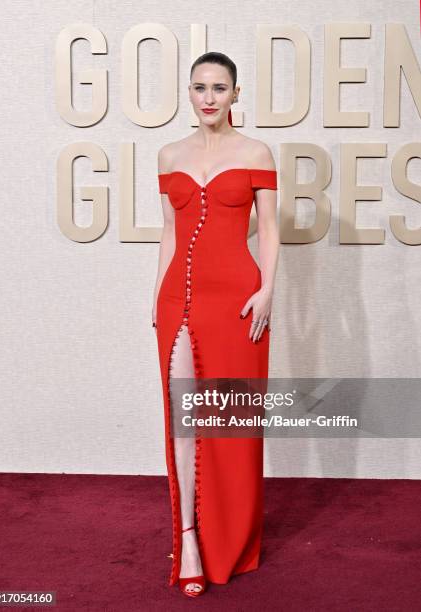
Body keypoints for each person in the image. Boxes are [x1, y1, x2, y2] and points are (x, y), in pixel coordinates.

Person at [152, 51, 279, 598]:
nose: (209, 97)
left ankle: (230, 538)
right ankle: (189, 540)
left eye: (219, 88)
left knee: (231, 424)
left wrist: (268, 289)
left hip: (237, 302)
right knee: (183, 417)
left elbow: (270, 230)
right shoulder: (168, 153)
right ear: (189, 92)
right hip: (177, 300)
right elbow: (169, 234)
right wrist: (151, 298)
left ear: (235, 94)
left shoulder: (255, 152)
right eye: (200, 87)